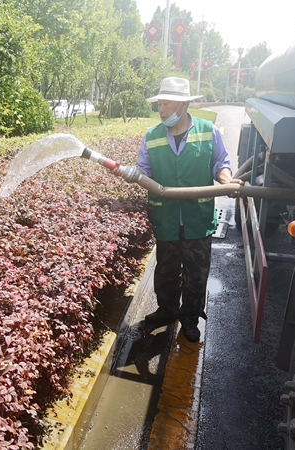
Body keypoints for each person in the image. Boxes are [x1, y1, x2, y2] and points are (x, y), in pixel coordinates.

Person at [112, 77, 243, 343]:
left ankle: (191, 320)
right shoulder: (152, 136)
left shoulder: (208, 131)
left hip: (197, 219)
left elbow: (220, 162)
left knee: (196, 275)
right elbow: (144, 171)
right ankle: (166, 310)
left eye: (167, 102)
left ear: (183, 104)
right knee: (166, 271)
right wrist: (133, 175)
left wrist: (227, 181)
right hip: (167, 219)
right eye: (159, 103)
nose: (161, 108)